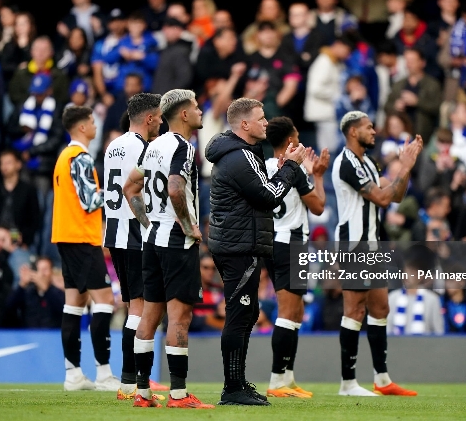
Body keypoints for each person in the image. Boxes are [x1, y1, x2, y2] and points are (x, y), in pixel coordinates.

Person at [205, 98, 306, 406]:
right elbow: (268, 197)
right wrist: (291, 167)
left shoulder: (243, 153)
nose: (266, 123)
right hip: (238, 246)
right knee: (239, 313)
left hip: (239, 243)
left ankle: (238, 383)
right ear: (244, 125)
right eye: (261, 119)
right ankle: (232, 387)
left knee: (247, 312)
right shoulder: (240, 157)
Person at [123, 89, 213, 409]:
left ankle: (142, 393)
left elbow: (130, 187)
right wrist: (189, 226)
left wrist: (149, 223)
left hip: (153, 240)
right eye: (197, 107)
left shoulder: (153, 146)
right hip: (177, 241)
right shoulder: (184, 147)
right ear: (184, 115)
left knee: (149, 315)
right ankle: (178, 394)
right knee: (179, 317)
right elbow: (175, 188)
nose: (201, 111)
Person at [332, 111, 421, 397]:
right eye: (368, 127)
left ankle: (382, 380)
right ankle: (347, 384)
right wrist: (402, 168)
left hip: (373, 245)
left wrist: (407, 168)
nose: (374, 131)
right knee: (355, 310)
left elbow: (395, 195)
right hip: (354, 244)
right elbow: (382, 198)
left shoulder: (368, 163)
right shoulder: (346, 162)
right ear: (352, 132)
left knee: (381, 308)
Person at [51, 105, 119, 391]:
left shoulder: (63, 157)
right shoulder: (79, 157)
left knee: (75, 303)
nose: (95, 125)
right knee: (105, 301)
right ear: (82, 127)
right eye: (92, 121)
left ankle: (73, 373)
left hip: (67, 236)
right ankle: (103, 374)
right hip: (81, 238)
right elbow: (89, 201)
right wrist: (117, 192)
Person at [103, 93, 163, 400]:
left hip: (115, 232)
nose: (163, 122)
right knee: (140, 308)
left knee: (132, 309)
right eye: (160, 117)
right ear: (150, 118)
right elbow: (136, 192)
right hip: (135, 233)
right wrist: (149, 226)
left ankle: (132, 379)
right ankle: (132, 381)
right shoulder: (143, 148)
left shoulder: (113, 144)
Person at [264, 117, 329, 398]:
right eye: (298, 136)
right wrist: (318, 175)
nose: (301, 141)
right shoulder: (297, 170)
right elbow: (318, 206)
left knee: (296, 313)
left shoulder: (263, 167)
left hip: (274, 242)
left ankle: (287, 377)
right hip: (291, 243)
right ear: (290, 141)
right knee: (288, 313)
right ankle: (277, 380)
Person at [5, 257, 65, 328]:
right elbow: (9, 308)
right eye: (39, 270)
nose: (42, 274)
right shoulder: (28, 292)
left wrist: (46, 290)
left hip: (52, 336)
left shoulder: (58, 293)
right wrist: (22, 284)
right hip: (28, 335)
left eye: (45, 269)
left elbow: (64, 311)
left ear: (51, 272)